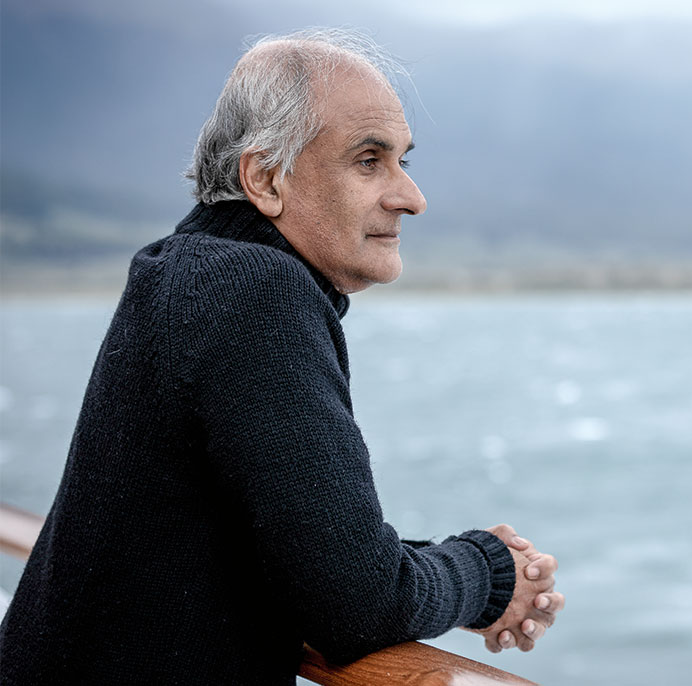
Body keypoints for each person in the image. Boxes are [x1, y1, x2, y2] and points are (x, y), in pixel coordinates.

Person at [0, 28, 562, 684]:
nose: (411, 196)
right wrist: (489, 571)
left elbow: (297, 554)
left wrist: (454, 569)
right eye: (369, 160)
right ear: (266, 179)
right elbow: (355, 604)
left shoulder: (179, 270)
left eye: (405, 160)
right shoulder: (255, 292)